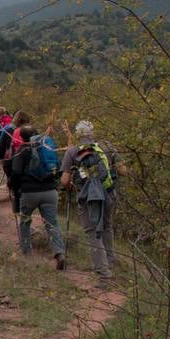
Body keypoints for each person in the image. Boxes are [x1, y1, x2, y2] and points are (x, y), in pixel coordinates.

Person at [60, 119, 129, 289]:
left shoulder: (72, 152)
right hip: (108, 193)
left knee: (92, 231)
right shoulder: (107, 147)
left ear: (78, 135)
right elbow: (123, 171)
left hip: (87, 198)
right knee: (106, 226)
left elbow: (64, 180)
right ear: (93, 132)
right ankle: (110, 261)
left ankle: (103, 274)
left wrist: (71, 185)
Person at [7, 125, 66, 267]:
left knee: (25, 222)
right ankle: (59, 253)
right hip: (50, 192)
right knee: (52, 223)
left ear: (21, 137)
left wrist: (12, 186)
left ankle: (27, 253)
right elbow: (58, 168)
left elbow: (16, 173)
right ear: (36, 133)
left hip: (29, 193)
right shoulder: (47, 146)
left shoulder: (22, 150)